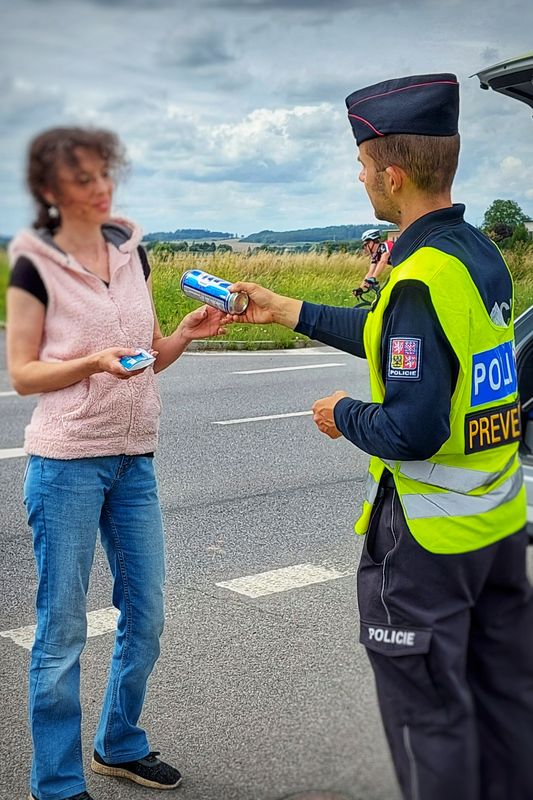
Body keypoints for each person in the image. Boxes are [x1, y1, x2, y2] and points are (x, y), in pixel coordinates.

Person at [225, 74, 533, 800]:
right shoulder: (475, 255)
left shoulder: (415, 278)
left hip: (424, 548)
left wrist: (343, 415)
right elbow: (408, 343)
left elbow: (411, 426)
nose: (360, 176)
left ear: (390, 175)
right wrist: (288, 309)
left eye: (362, 166)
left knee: (432, 727)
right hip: (494, 529)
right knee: (505, 705)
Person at [6, 126, 227, 800]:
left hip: (134, 461)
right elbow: (22, 374)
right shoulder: (32, 265)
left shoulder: (135, 254)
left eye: (105, 176)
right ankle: (58, 784)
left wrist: (183, 335)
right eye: (84, 180)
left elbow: (147, 351)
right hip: (67, 463)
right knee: (62, 630)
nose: (101, 189)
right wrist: (90, 363)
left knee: (147, 614)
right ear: (50, 191)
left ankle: (118, 742)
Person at [356, 227, 393, 294]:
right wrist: (361, 288)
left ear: (372, 242)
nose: (365, 247)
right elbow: (370, 273)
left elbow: (383, 261)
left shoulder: (386, 245)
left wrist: (373, 278)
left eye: (366, 244)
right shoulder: (375, 255)